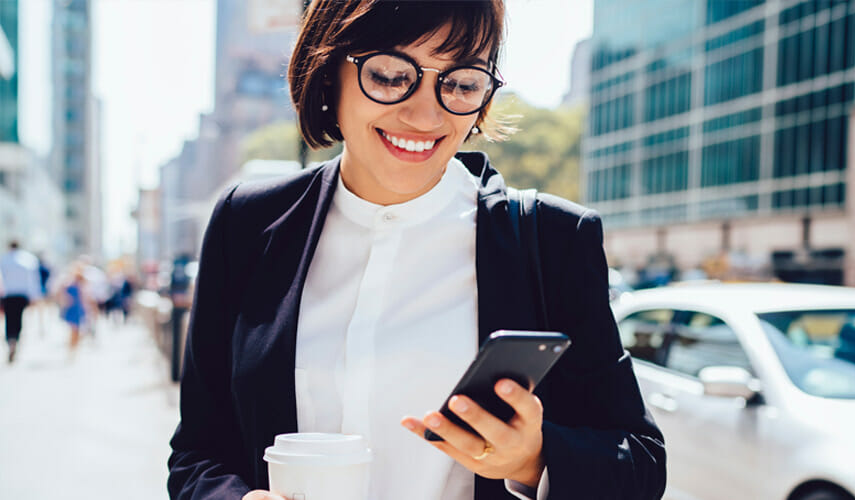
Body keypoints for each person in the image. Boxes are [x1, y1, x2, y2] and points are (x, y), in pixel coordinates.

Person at [168, 2, 665, 500]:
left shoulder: (554, 239)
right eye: (389, 75)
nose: (425, 114)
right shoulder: (247, 223)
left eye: (462, 83)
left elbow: (641, 464)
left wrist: (533, 460)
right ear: (327, 73)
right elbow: (197, 453)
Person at [0, 241, 42, 362]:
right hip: (22, 295)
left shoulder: (4, 259)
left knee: (9, 319)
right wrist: (35, 296)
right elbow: (33, 280)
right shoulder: (28, 260)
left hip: (8, 294)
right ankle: (15, 340)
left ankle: (10, 340)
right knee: (18, 318)